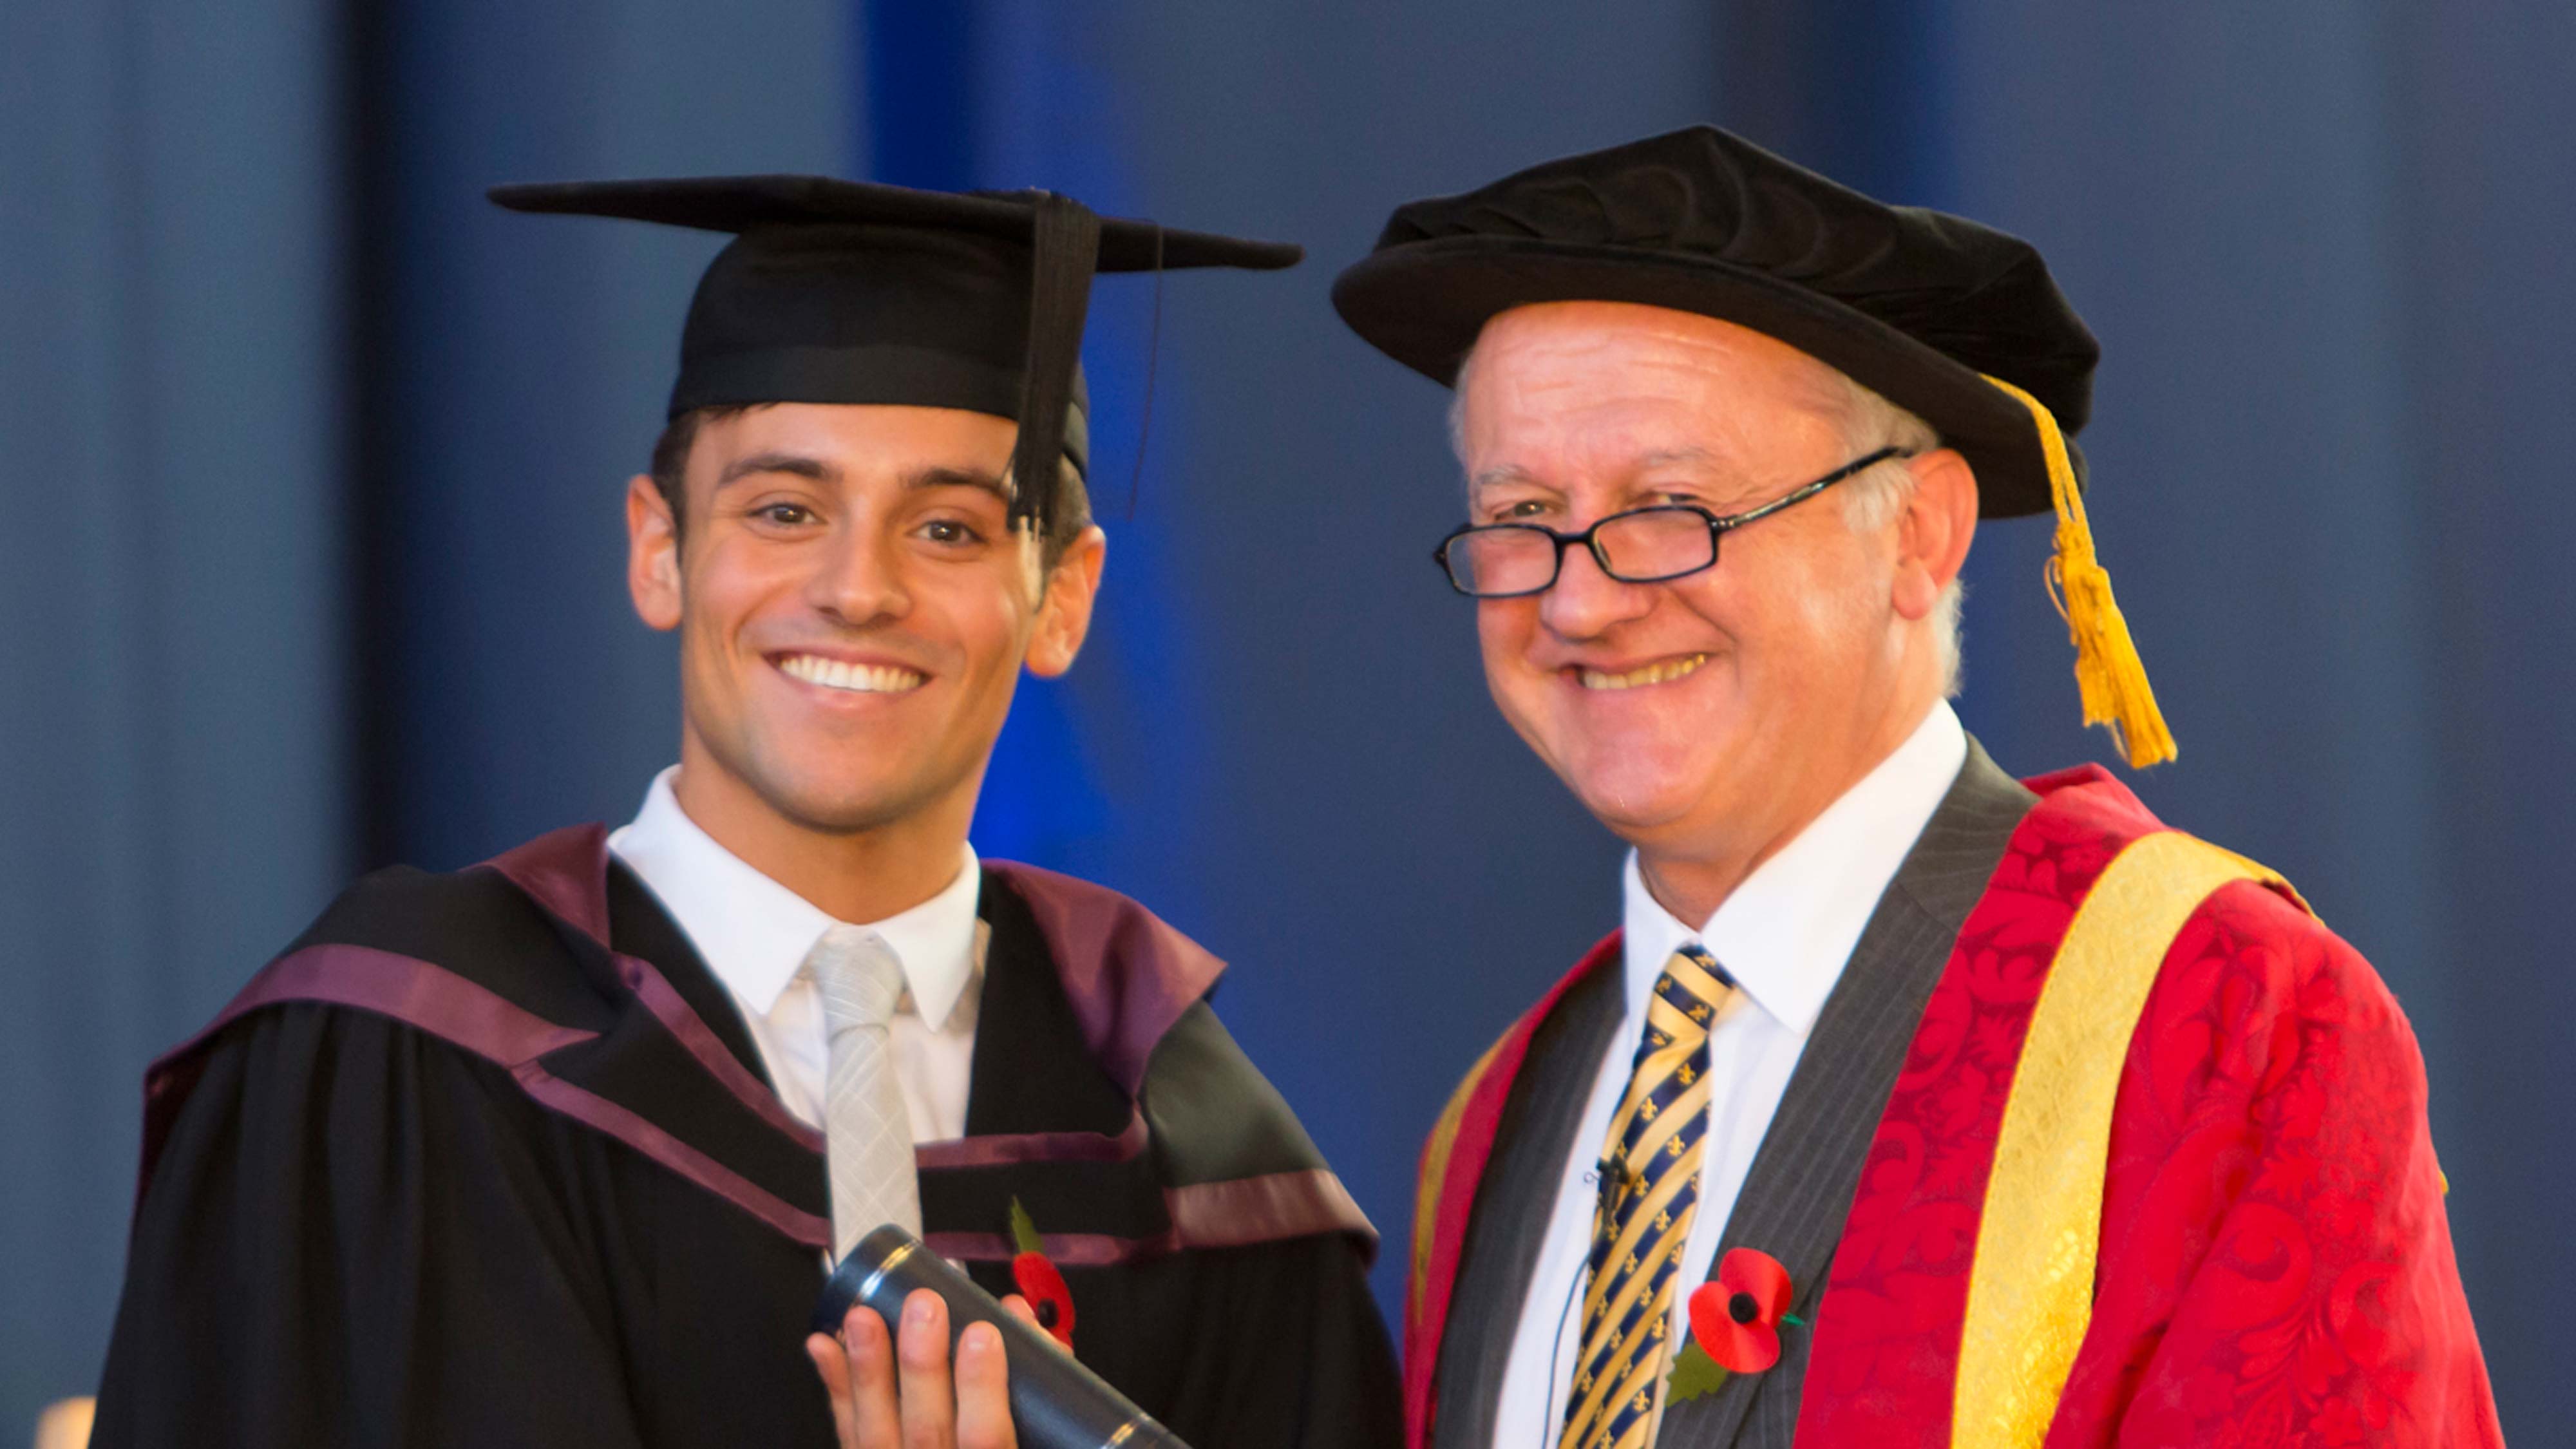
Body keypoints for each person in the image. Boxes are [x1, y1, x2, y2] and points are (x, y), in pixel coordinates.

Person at [93, 175, 1401, 1449]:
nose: (855, 588)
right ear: (658, 549)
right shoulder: (408, 1060)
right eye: (783, 510)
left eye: (947, 529)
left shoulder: (1188, 1151)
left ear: (1060, 593)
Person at [1332, 128, 2501, 1448]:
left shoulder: (2217, 1019)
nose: (1583, 598)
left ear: (1914, 535)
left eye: (1672, 503)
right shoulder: (1498, 1118)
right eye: (1522, 515)